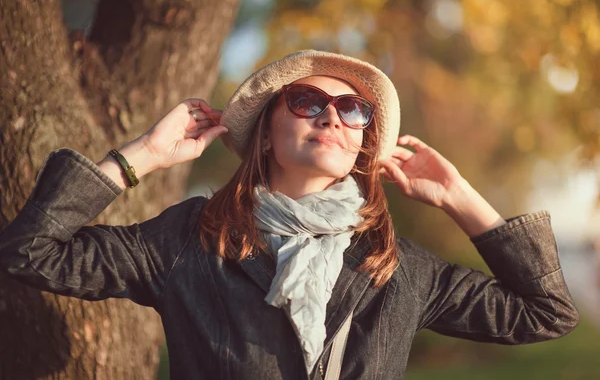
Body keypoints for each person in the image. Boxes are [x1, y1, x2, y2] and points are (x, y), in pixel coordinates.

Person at [0, 50, 579, 379]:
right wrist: (142, 156)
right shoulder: (189, 240)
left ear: (361, 145)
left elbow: (545, 314)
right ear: (266, 133)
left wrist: (460, 198)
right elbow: (30, 252)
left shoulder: (398, 269)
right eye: (307, 102)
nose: (331, 116)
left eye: (352, 111)